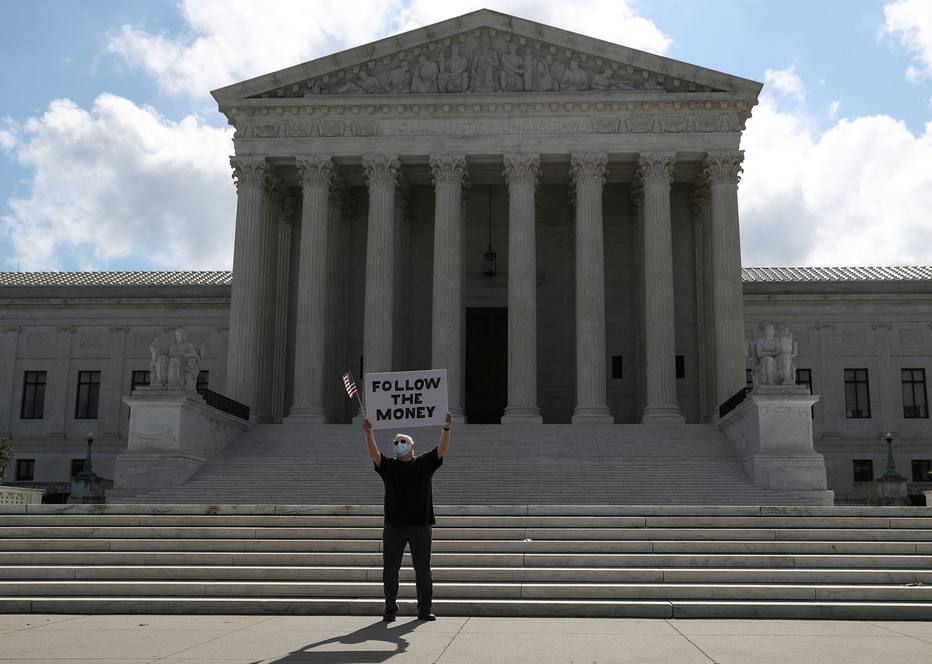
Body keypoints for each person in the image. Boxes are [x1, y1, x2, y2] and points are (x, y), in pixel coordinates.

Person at [364, 411, 453, 622]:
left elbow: (442, 449)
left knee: (423, 570)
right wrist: (369, 433)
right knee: (390, 570)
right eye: (396, 442)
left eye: (403, 441)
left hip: (420, 525)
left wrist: (446, 428)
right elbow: (374, 454)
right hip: (394, 525)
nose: (398, 444)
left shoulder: (423, 463)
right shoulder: (389, 467)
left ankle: (424, 609)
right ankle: (390, 609)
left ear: (412, 446)